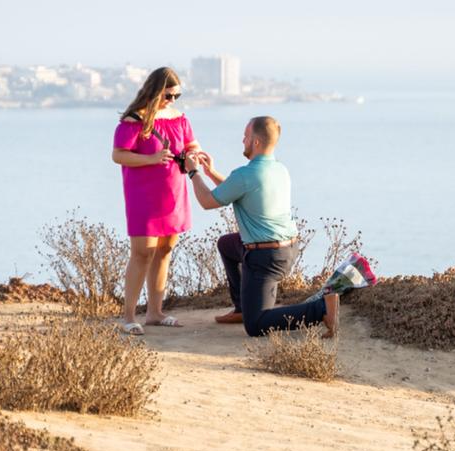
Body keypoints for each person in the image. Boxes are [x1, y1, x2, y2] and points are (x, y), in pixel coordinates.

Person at [187, 115, 339, 338]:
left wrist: (194, 172)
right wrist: (210, 173)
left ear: (255, 142)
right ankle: (242, 306)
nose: (242, 141)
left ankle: (322, 309)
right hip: (286, 249)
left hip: (266, 258)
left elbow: (208, 202)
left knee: (256, 324)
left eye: (245, 136)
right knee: (227, 244)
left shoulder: (246, 175)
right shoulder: (279, 170)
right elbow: (235, 191)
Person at [110, 66, 201, 336]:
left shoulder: (179, 118)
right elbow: (118, 155)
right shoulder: (134, 120)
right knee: (142, 253)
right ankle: (128, 316)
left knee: (165, 250)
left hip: (174, 191)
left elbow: (191, 145)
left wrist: (194, 155)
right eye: (168, 95)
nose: (172, 101)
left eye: (177, 96)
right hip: (144, 196)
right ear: (155, 91)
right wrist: (150, 159)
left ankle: (155, 312)